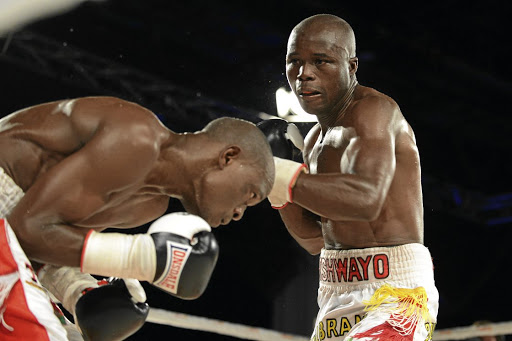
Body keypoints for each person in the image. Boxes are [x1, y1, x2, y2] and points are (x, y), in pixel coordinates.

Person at [0, 96, 274, 340]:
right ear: (228, 157)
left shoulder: (147, 206)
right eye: (250, 195)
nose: (239, 212)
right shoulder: (136, 136)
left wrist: (78, 290)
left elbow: (38, 242)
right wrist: (136, 257)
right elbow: (26, 229)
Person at [259, 14, 439, 340]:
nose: (303, 74)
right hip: (334, 290)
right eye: (294, 62)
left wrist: (281, 172)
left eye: (320, 61)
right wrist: (274, 187)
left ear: (351, 66)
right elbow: (314, 240)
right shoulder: (312, 141)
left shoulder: (374, 112)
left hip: (393, 291)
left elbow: (365, 200)